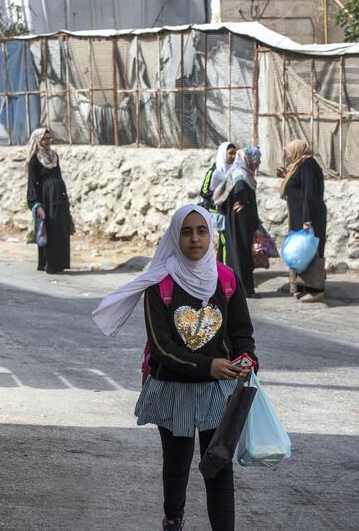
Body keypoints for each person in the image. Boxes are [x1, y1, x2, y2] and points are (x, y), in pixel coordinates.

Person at [92, 204, 258, 531]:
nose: (195, 239)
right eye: (186, 231)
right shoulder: (161, 283)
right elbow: (161, 347)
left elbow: (242, 334)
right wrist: (209, 366)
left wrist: (247, 361)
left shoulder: (226, 280)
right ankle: (173, 519)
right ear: (174, 236)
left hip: (217, 393)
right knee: (177, 465)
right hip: (173, 391)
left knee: (218, 467)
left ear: (211, 235)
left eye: (201, 231)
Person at [277, 139, 327, 303]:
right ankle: (303, 287)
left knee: (312, 252)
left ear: (298, 151)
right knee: (302, 252)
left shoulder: (308, 166)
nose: (289, 156)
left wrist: (307, 220)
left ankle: (315, 291)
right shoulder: (300, 165)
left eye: (291, 152)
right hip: (300, 216)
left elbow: (309, 195)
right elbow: (298, 187)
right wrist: (287, 176)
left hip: (309, 216)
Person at [214, 146, 262, 299]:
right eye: (256, 159)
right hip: (240, 222)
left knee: (240, 253)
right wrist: (242, 201)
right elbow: (239, 188)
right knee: (241, 254)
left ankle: (239, 287)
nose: (258, 162)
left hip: (238, 221)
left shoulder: (242, 172)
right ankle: (244, 288)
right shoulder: (241, 173)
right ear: (247, 159)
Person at [26, 128, 72, 274]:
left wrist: (65, 197)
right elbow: (32, 184)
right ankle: (51, 266)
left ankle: (61, 264)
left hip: (59, 199)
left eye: (50, 138)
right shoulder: (34, 160)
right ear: (38, 140)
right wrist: (36, 205)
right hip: (46, 200)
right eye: (45, 139)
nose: (48, 141)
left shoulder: (54, 156)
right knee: (49, 231)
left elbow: (59, 177)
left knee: (61, 231)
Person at [198, 142, 236, 261]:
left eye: (235, 153)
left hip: (229, 210)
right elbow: (204, 191)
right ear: (223, 154)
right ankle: (225, 270)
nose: (234, 156)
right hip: (217, 212)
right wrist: (220, 197)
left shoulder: (234, 170)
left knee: (225, 242)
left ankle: (221, 268)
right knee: (225, 241)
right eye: (230, 153)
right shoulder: (214, 171)